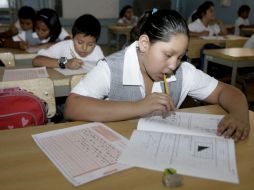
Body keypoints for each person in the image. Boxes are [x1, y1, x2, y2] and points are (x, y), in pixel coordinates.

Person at [64, 9, 250, 142]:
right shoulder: (112, 68)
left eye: (180, 57)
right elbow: (73, 106)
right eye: (168, 55)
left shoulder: (182, 71)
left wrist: (240, 114)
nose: (172, 65)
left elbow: (226, 91)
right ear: (144, 43)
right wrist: (139, 107)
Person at [32, 14, 104, 70]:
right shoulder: (64, 46)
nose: (84, 48)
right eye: (80, 42)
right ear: (72, 37)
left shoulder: (97, 51)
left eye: (90, 44)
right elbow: (36, 60)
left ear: (96, 42)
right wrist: (65, 63)